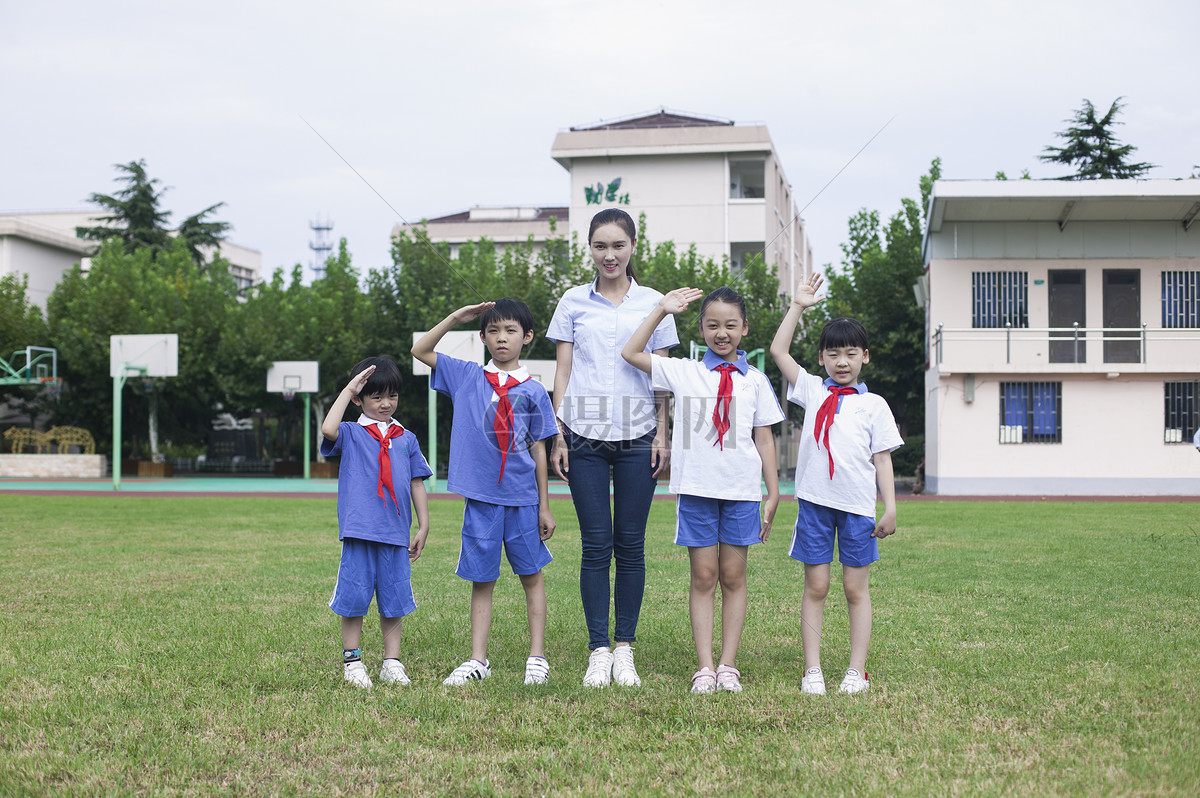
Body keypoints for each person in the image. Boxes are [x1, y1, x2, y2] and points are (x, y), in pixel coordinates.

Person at [622, 286, 783, 694]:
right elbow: (631, 352)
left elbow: (764, 438)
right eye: (712, 325)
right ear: (700, 329)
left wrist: (774, 490)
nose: (721, 333)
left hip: (742, 491)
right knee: (704, 575)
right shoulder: (685, 370)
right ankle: (705, 667)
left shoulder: (757, 381)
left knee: (733, 575)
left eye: (730, 325)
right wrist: (661, 309)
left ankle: (729, 666)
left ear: (745, 328)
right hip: (696, 489)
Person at [546, 207, 679, 687]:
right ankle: (597, 649)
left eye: (617, 245)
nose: (609, 255)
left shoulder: (655, 303)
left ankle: (625, 648)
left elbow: (661, 374)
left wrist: (663, 433)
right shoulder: (572, 302)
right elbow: (562, 371)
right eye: (600, 246)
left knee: (632, 545)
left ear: (633, 247)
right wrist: (557, 430)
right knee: (595, 545)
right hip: (582, 435)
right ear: (590, 248)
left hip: (639, 435)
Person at [412, 299, 558, 686]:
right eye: (493, 331)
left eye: (510, 331)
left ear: (526, 337)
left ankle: (537, 657)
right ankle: (478, 659)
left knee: (532, 576)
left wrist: (545, 505)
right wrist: (455, 317)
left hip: (524, 499)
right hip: (481, 500)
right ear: (482, 338)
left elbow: (539, 449)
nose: (501, 338)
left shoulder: (536, 391)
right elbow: (420, 350)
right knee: (483, 579)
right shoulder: (466, 376)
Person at [769, 272, 903, 696]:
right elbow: (777, 350)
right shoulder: (811, 389)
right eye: (832, 354)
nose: (841, 362)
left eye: (850, 354)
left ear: (865, 356)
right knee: (817, 585)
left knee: (853, 587)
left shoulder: (874, 405)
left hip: (858, 509)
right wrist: (797, 306)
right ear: (823, 358)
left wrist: (891, 507)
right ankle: (812, 670)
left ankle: (855, 670)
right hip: (814, 504)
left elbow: (882, 459)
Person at [320, 356, 432, 689]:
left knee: (394, 598)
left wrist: (423, 525)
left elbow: (416, 481)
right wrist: (348, 389)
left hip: (395, 532)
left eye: (392, 396)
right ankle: (352, 662)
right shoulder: (351, 433)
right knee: (354, 598)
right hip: (359, 530)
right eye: (376, 397)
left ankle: (391, 662)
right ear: (359, 399)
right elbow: (328, 430)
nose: (386, 404)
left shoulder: (406, 438)